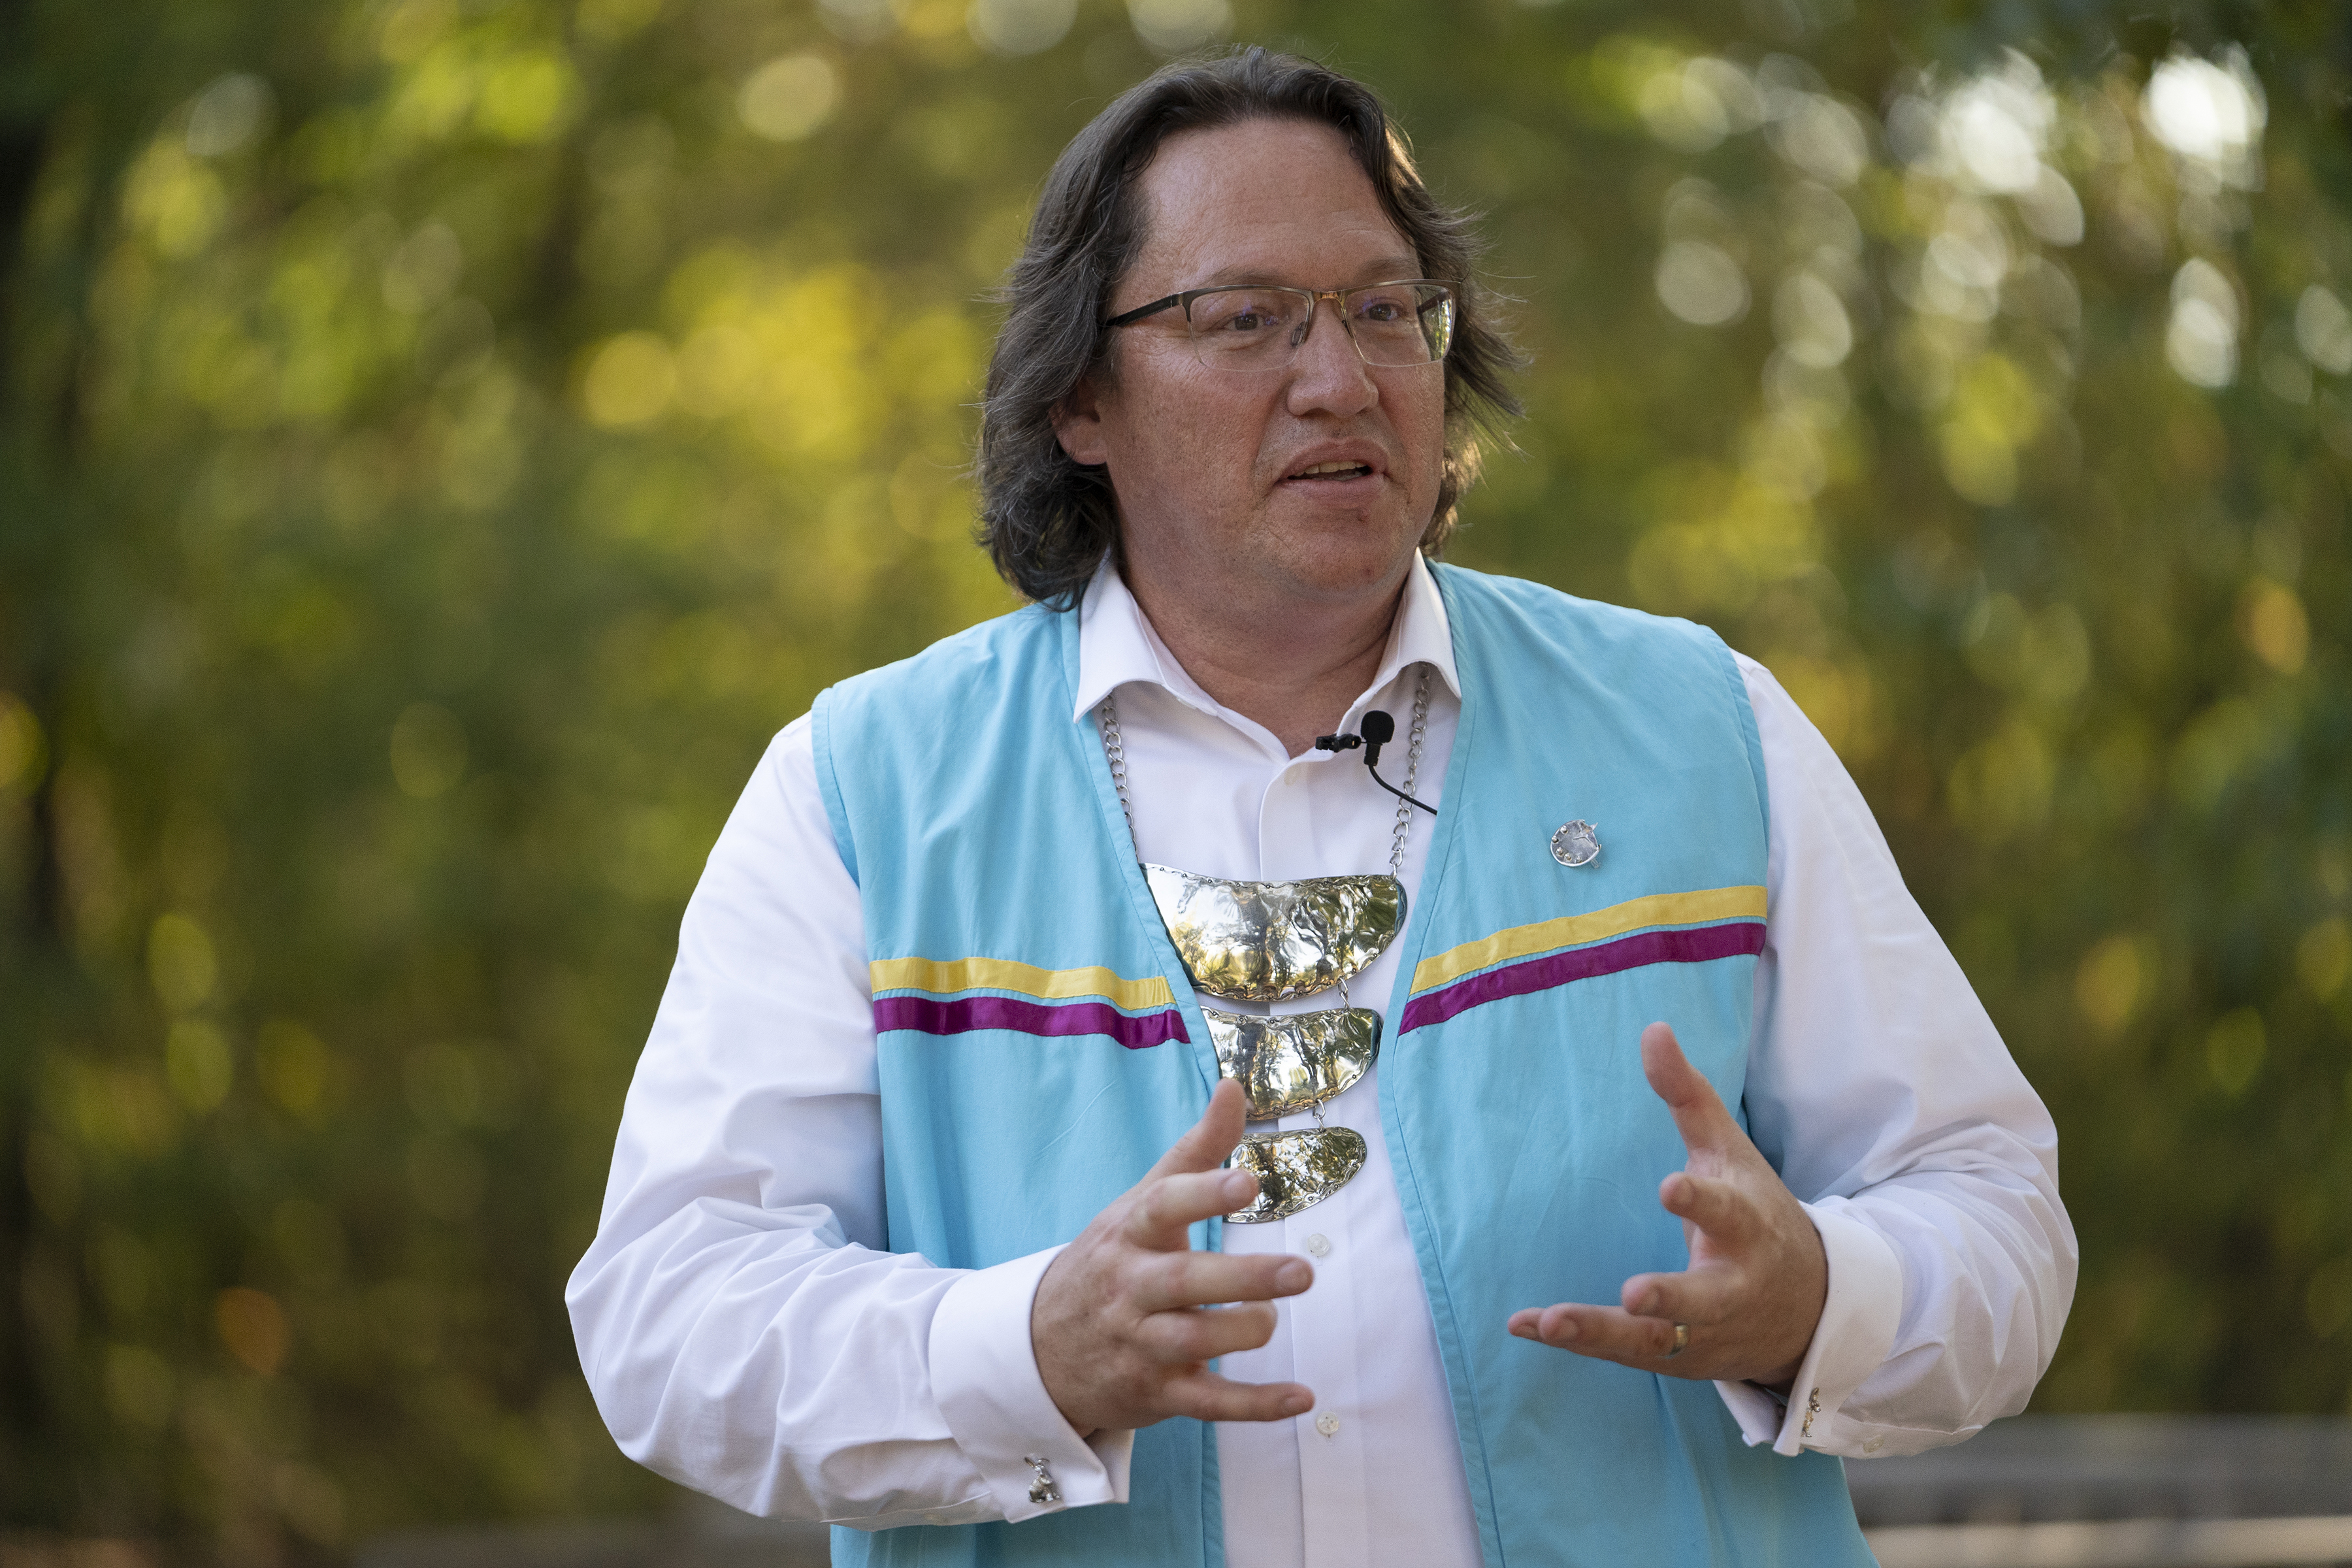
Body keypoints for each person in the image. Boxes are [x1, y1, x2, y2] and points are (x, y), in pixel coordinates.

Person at [567, 47, 2075, 1568]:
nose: (1342, 378)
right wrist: (1017, 1347)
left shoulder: (1707, 727)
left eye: (1381, 311)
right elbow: (669, 1312)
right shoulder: (859, 793)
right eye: (1246, 321)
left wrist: (1826, 1296)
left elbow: (1996, 1214)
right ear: (1081, 395)